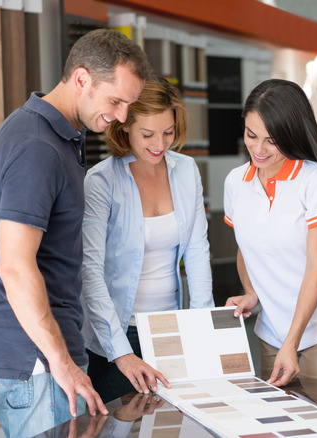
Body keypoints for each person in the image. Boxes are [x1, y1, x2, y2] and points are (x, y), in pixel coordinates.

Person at [0, 29, 152, 438]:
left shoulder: (53, 135)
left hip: (38, 354)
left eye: (129, 104)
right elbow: (15, 266)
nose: (123, 117)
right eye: (116, 101)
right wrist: (62, 362)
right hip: (37, 361)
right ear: (82, 79)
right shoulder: (37, 147)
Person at [223, 78, 317, 387]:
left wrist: (291, 342)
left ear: (292, 136)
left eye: (271, 140)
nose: (258, 149)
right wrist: (252, 293)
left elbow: (316, 268)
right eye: (251, 135)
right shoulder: (236, 182)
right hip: (271, 332)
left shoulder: (315, 182)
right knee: (275, 427)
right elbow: (246, 248)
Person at [81, 78, 214, 402]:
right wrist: (120, 352)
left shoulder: (186, 171)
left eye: (168, 132)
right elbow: (91, 273)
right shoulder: (101, 181)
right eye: (148, 134)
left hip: (170, 328)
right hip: (118, 334)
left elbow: (197, 251)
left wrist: (201, 327)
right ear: (125, 127)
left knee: (176, 424)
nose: (160, 144)